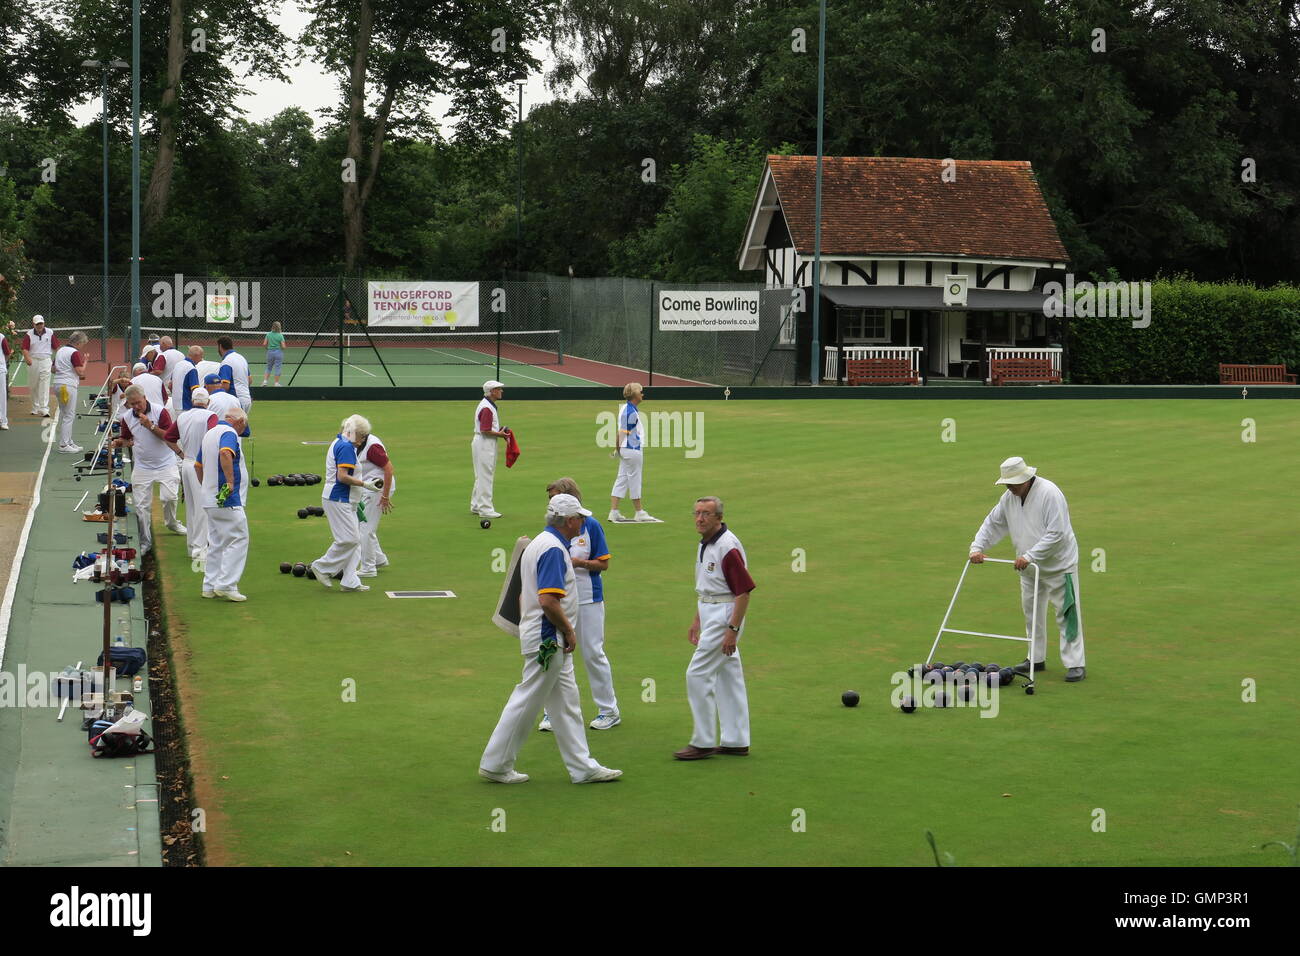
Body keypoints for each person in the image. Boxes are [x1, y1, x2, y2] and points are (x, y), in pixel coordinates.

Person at [479, 493, 623, 784]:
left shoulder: (540, 543)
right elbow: (548, 601)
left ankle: (582, 767)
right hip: (549, 638)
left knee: (567, 704)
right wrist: (569, 630)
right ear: (569, 521)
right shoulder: (554, 550)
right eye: (579, 517)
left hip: (544, 634)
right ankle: (495, 763)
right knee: (527, 698)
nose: (583, 521)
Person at [968, 456, 1086, 682]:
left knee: (1067, 613)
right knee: (1032, 612)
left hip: (1059, 565)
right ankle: (1035, 658)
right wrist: (977, 547)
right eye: (1007, 484)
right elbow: (993, 523)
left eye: (1012, 484)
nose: (1009, 488)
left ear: (1026, 478)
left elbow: (1057, 533)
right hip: (1028, 568)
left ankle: (1075, 664)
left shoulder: (1050, 493)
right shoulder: (1009, 498)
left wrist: (1030, 555)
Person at [675, 496, 756, 760]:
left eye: (706, 514)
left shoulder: (727, 547)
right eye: (697, 513)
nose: (699, 518)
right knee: (728, 675)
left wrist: (732, 629)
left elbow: (743, 592)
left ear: (718, 517)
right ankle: (736, 739)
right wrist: (698, 619)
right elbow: (708, 586)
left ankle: (703, 740)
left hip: (724, 615)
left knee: (696, 674)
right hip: (711, 611)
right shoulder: (706, 543)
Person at [538, 478, 619, 732]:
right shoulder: (552, 530)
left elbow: (603, 563)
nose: (551, 504)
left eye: (554, 497)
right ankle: (552, 712)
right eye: (549, 499)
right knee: (558, 653)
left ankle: (608, 710)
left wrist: (579, 563)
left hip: (588, 597)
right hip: (561, 601)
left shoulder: (590, 526)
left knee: (593, 652)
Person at [113, 384, 186, 556]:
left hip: (165, 463)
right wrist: (119, 442)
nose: (136, 407)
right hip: (142, 466)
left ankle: (172, 523)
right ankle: (145, 543)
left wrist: (150, 426)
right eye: (132, 404)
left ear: (144, 397)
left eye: (138, 402)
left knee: (169, 497)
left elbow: (169, 436)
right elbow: (126, 438)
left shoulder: (160, 412)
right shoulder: (126, 418)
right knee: (141, 507)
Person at [310, 415, 371, 592]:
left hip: (347, 499)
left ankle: (350, 580)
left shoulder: (342, 442)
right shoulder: (345, 446)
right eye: (362, 436)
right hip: (339, 498)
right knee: (350, 539)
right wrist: (365, 484)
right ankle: (322, 567)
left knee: (355, 541)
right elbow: (342, 477)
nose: (362, 441)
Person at [195, 405, 250, 601]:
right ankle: (226, 584)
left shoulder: (210, 433)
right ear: (240, 422)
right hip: (225, 498)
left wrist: (206, 488)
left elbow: (197, 465)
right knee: (239, 538)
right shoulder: (229, 432)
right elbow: (225, 454)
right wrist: (229, 483)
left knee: (217, 542)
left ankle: (209, 586)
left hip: (209, 498)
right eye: (244, 427)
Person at [165, 387, 218, 564]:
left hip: (187, 462)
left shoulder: (183, 416)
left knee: (191, 505)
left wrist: (180, 453)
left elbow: (168, 437)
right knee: (203, 506)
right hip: (201, 464)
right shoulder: (211, 416)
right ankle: (200, 548)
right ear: (208, 402)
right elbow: (213, 437)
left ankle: (193, 547)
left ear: (193, 400)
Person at [609, 382, 656, 522]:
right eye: (641, 392)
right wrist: (617, 449)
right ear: (635, 394)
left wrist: (618, 450)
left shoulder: (627, 408)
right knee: (635, 480)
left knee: (622, 479)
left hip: (627, 450)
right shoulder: (630, 412)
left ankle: (614, 512)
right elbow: (622, 433)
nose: (643, 394)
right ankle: (639, 512)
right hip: (632, 449)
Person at [354, 417, 394, 578]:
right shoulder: (359, 443)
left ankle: (368, 568)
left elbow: (389, 469)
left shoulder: (373, 447)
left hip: (377, 488)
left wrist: (385, 495)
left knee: (365, 528)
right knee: (364, 525)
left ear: (361, 434)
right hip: (369, 487)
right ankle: (378, 558)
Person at [470, 379, 509, 519]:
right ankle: (485, 509)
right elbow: (485, 430)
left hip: (483, 442)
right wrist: (500, 434)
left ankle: (476, 505)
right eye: (499, 389)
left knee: (481, 475)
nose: (501, 391)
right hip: (485, 443)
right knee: (486, 475)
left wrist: (499, 431)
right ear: (492, 392)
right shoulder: (487, 407)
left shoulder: (487, 405)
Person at [52, 331, 88, 454]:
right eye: (83, 343)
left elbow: (53, 369)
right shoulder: (74, 353)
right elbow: (80, 372)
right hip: (67, 386)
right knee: (69, 415)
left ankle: (68, 441)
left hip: (58, 384)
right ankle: (64, 445)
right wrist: (86, 362)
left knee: (65, 413)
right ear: (78, 343)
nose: (83, 346)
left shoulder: (60, 351)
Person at [21, 315, 57, 417]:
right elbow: (24, 348)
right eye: (37, 324)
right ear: (33, 324)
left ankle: (44, 408)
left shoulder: (50, 332)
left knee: (44, 385)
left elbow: (56, 347)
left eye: (41, 323)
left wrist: (58, 358)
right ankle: (35, 407)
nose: (39, 325)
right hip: (33, 361)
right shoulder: (29, 334)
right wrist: (27, 358)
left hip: (46, 361)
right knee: (33, 385)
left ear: (44, 323)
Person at [216, 335, 252, 411]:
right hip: (246, 399)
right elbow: (250, 380)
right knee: (241, 423)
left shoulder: (226, 362)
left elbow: (225, 385)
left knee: (228, 422)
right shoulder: (241, 358)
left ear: (220, 346)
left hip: (235, 401)